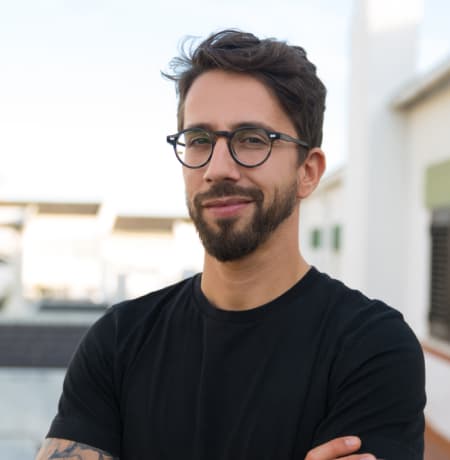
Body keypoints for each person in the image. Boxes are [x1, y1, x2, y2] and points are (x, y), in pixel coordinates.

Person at [36, 29, 425, 460]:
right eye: (200, 140)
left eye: (252, 140)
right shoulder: (117, 341)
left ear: (308, 172)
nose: (218, 168)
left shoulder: (371, 348)